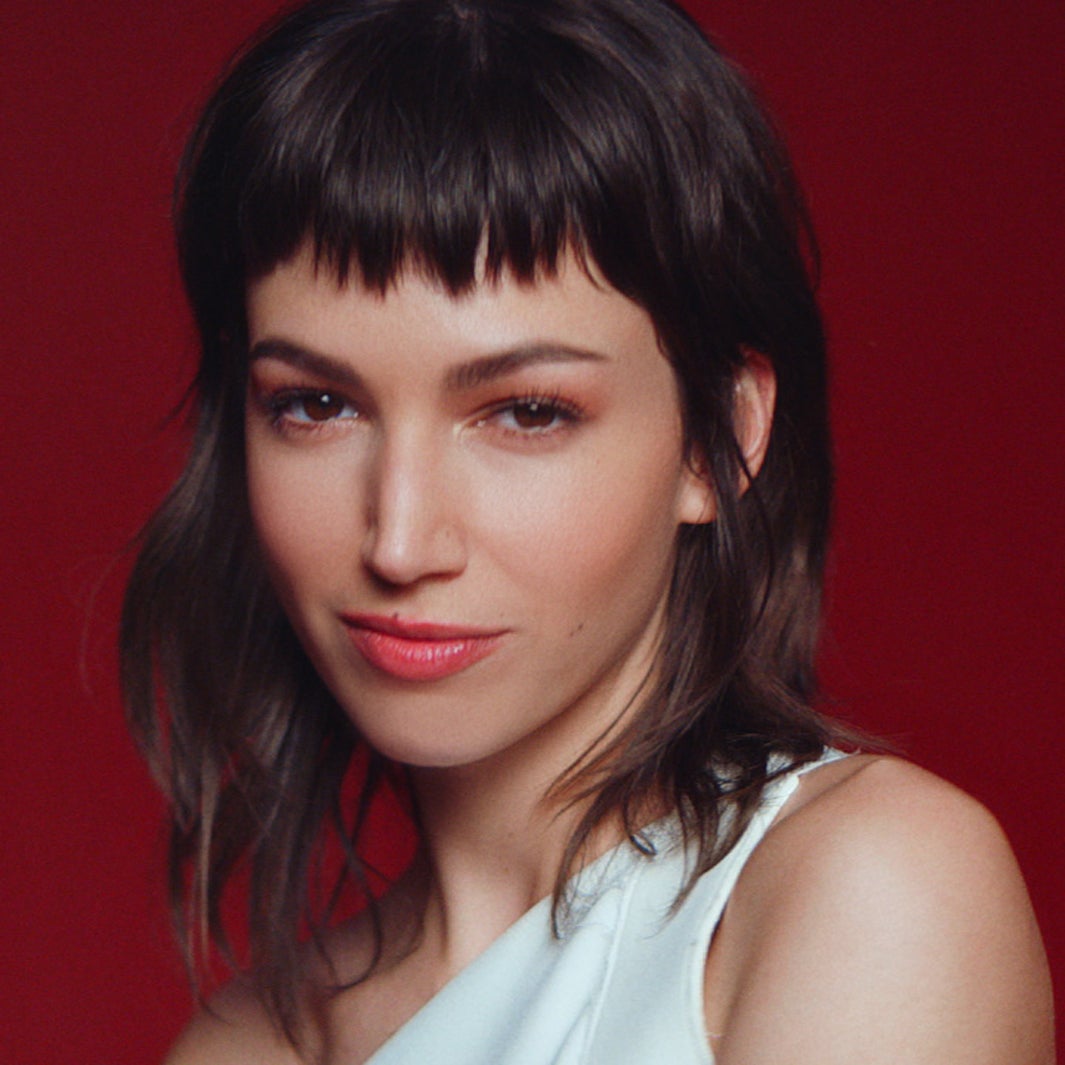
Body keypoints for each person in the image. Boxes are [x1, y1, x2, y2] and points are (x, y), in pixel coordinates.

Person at [121, 0, 1054, 1061]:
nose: (400, 541)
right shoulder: (243, 1045)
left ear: (718, 438)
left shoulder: (868, 890)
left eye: (527, 412)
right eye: (316, 405)